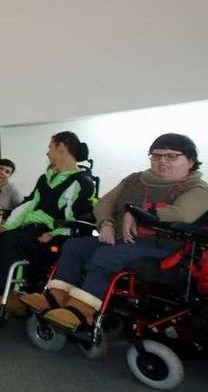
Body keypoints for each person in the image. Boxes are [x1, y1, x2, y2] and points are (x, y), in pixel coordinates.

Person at [21, 133, 208, 329]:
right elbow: (104, 203)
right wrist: (106, 223)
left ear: (190, 161)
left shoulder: (197, 188)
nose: (162, 161)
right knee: (75, 245)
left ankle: (81, 311)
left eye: (171, 156)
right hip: (122, 239)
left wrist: (138, 213)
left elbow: (183, 213)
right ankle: (55, 298)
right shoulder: (135, 179)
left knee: (108, 254)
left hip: (166, 246)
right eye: (156, 155)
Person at [0, 132, 95, 312]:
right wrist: (7, 226)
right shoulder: (45, 179)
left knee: (13, 241)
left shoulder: (82, 181)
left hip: (54, 233)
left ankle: (13, 294)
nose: (47, 153)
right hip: (32, 229)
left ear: (62, 147)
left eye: (50, 147)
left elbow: (79, 218)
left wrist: (54, 233)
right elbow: (28, 206)